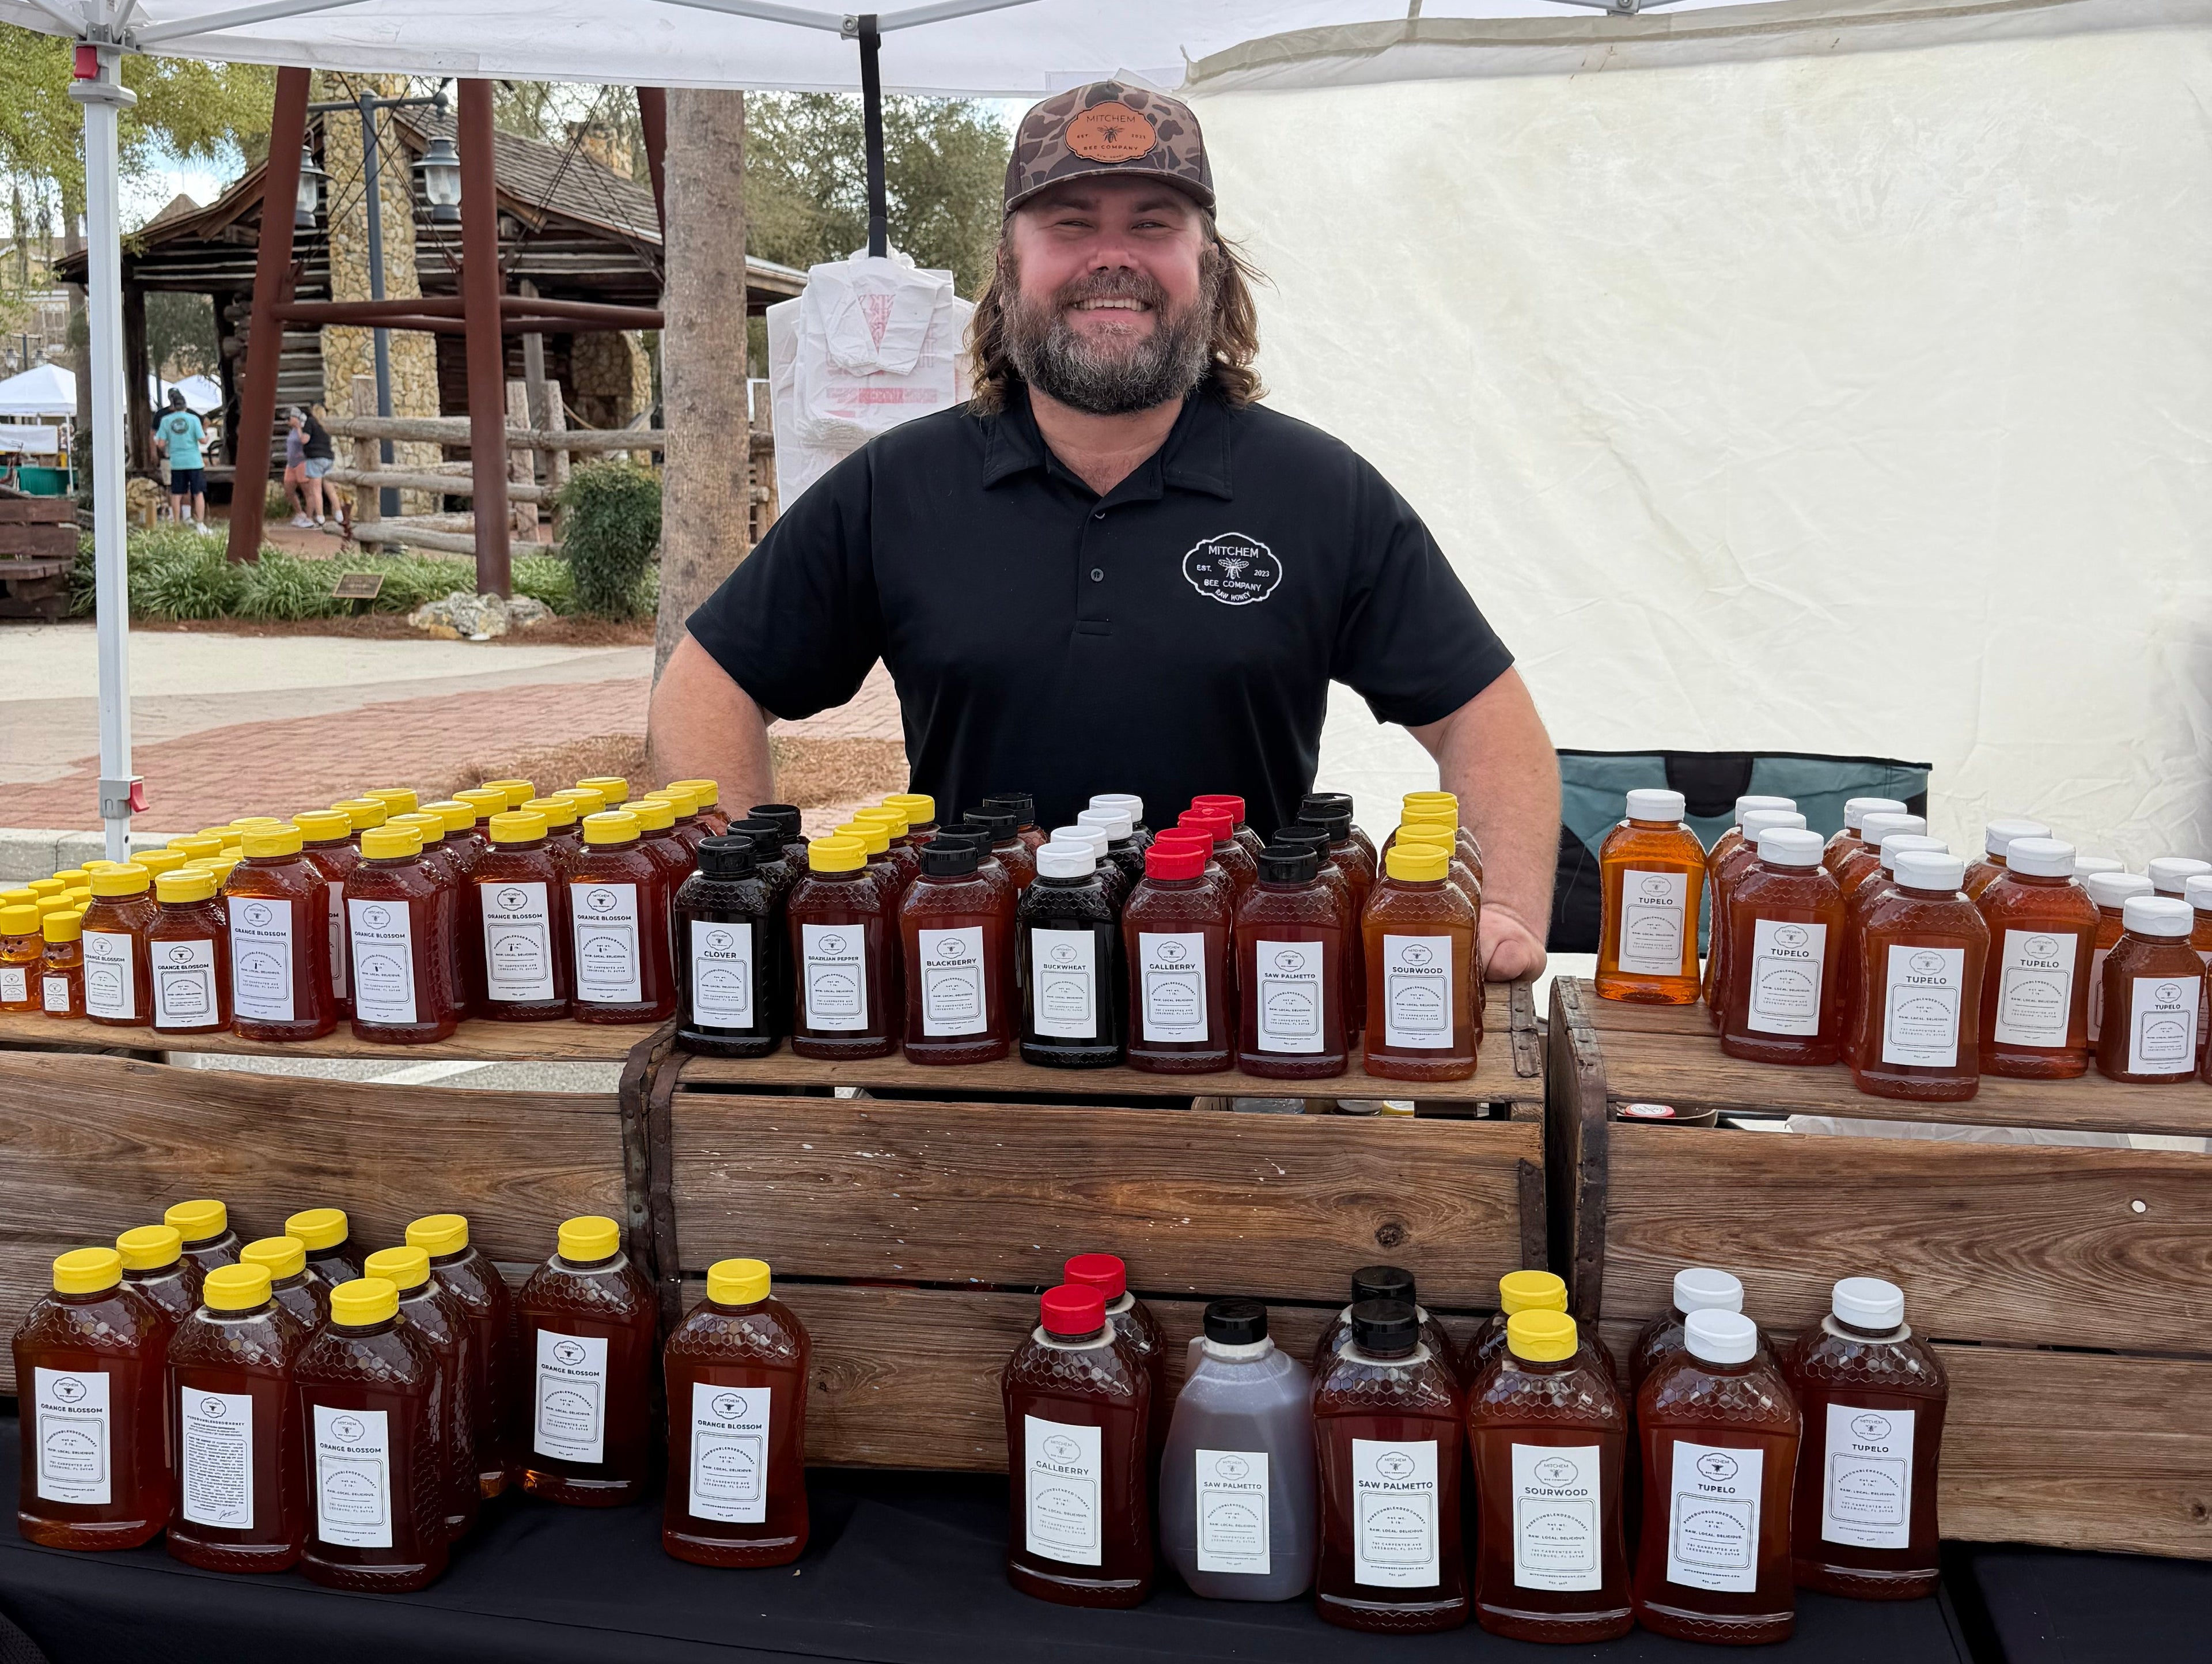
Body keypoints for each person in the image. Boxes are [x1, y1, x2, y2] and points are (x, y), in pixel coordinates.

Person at [649, 82, 1561, 980]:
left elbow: (1486, 717)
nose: (1111, 257)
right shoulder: (898, 487)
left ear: (1209, 263)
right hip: (969, 1020)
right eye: (1071, 225)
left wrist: (1508, 910)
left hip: (1254, 1034)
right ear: (1008, 269)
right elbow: (708, 683)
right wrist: (740, 904)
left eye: (1154, 223)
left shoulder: (1321, 491)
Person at [153, 388, 211, 532]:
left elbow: (160, 443)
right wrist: (208, 436)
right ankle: (200, 524)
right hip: (194, 461)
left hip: (177, 462)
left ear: (172, 406)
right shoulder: (193, 419)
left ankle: (177, 524)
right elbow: (203, 441)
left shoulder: (166, 420)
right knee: (198, 493)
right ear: (185, 406)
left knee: (176, 493)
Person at [294, 406, 337, 529]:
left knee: (316, 490)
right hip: (328, 458)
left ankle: (320, 518)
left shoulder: (310, 422)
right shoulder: (326, 425)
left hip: (315, 458)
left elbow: (305, 440)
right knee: (331, 489)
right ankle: (340, 516)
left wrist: (298, 429)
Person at [283, 408, 312, 527]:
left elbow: (304, 441)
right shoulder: (292, 431)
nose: (287, 421)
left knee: (308, 491)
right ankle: (300, 513)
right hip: (291, 464)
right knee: (288, 489)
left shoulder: (304, 428)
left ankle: (310, 518)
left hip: (302, 462)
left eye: (289, 418)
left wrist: (299, 427)